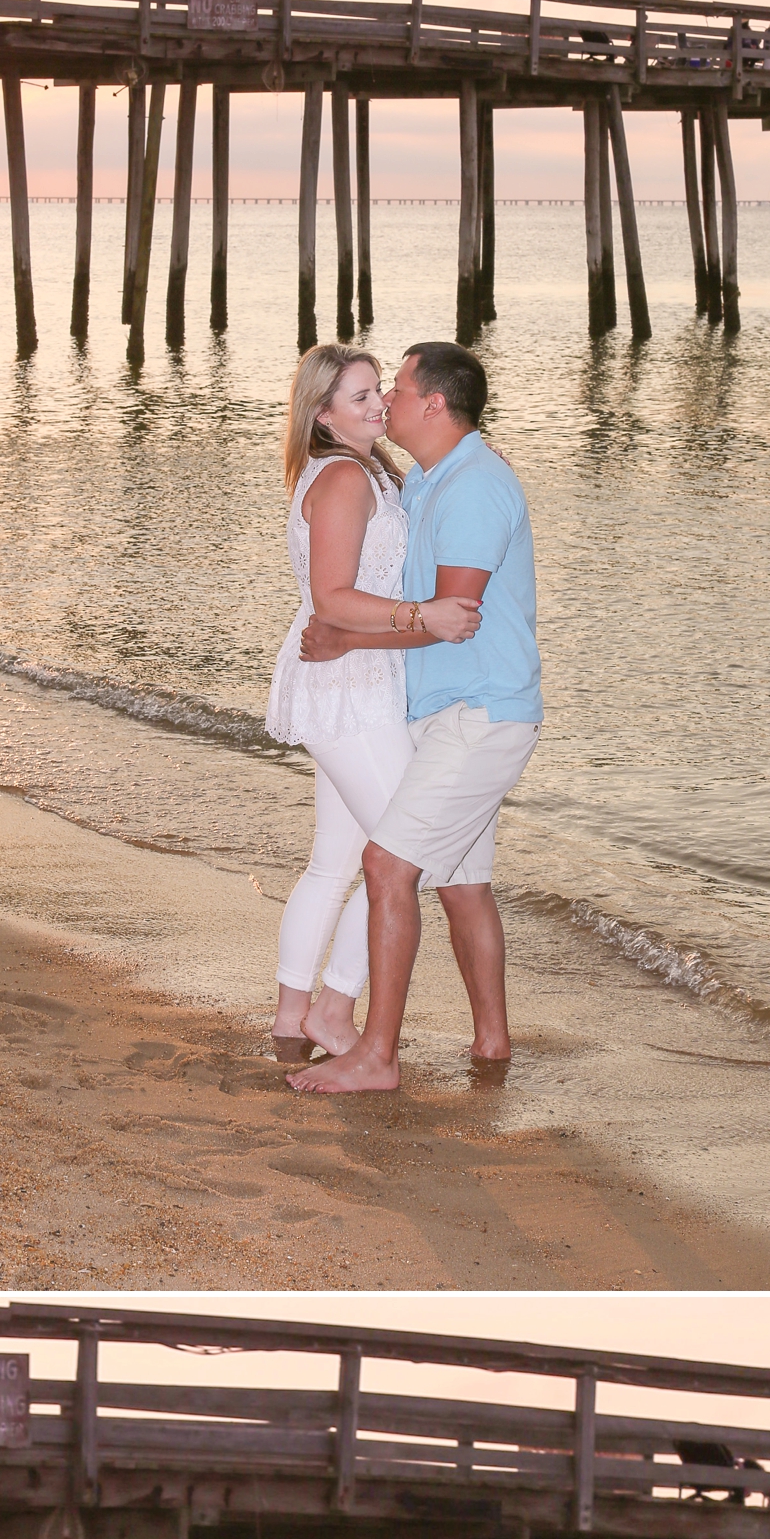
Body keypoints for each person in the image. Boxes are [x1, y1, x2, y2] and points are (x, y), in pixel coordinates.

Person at [288, 343, 543, 1094]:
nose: (388, 400)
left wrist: (345, 635)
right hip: (441, 710)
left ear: (433, 403)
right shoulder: (430, 478)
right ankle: (492, 1044)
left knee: (386, 864)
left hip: (482, 710)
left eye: (396, 388)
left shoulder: (471, 487)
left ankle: (376, 1053)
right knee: (465, 884)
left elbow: (452, 616)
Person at [267, 347, 482, 1058]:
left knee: (337, 859)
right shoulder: (343, 480)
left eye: (376, 392)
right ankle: (333, 1007)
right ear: (322, 413)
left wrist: (480, 456)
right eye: (358, 399)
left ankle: (294, 1011)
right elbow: (332, 597)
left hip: (357, 682)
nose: (376, 406)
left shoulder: (372, 472)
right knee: (404, 853)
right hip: (348, 689)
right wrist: (425, 617)